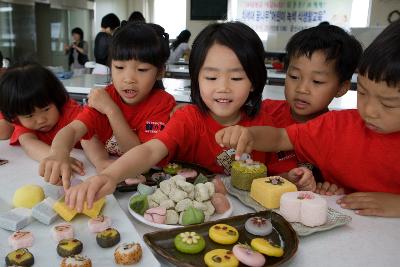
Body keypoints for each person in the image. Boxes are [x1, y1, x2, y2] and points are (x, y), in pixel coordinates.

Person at [60, 21, 315, 211]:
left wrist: (291, 177)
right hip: (185, 211)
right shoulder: (188, 118)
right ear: (196, 79)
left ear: (254, 81)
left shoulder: (268, 121)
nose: (223, 87)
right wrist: (109, 176)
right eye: (211, 77)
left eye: (236, 78)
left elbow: (280, 169)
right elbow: (149, 152)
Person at [215, 19, 400, 217]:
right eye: (362, 92)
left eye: (388, 103)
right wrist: (249, 134)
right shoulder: (335, 126)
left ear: (342, 87)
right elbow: (280, 137)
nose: (369, 110)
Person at [39, 22, 175, 186]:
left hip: (138, 176)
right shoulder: (104, 96)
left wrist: (111, 110)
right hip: (108, 170)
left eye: (142, 70)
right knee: (88, 134)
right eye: (119, 67)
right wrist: (58, 152)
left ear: (160, 71)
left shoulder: (162, 103)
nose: (128, 78)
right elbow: (74, 129)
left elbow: (139, 156)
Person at [263, 24, 362, 188]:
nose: (302, 89)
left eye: (317, 81)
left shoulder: (338, 131)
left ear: (341, 88)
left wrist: (331, 187)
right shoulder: (266, 112)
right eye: (294, 76)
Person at [0, 62, 83, 174]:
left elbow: (92, 137)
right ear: (15, 116)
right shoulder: (21, 122)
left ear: (57, 98)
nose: (41, 120)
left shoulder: (71, 111)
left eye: (46, 109)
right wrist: (55, 158)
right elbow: (29, 143)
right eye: (29, 115)